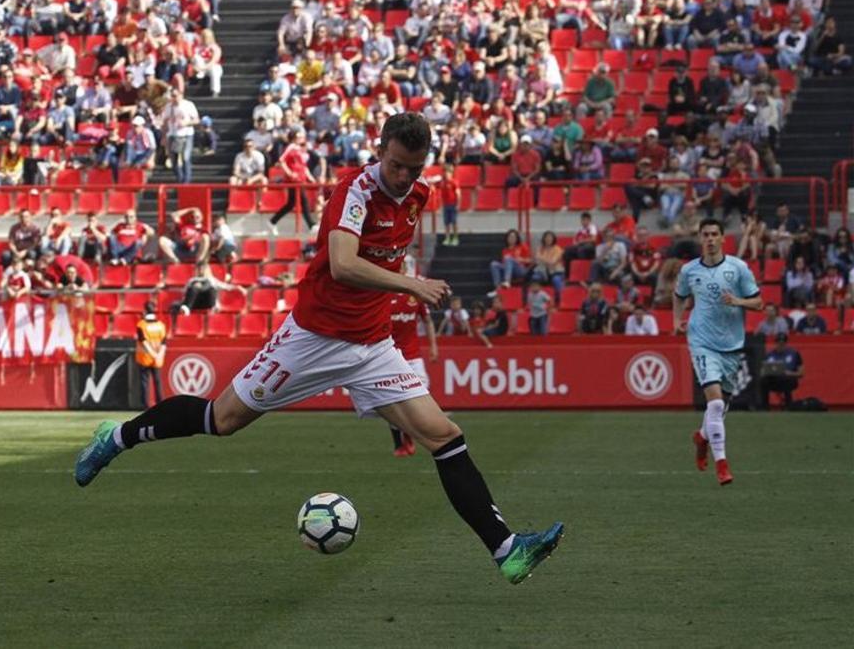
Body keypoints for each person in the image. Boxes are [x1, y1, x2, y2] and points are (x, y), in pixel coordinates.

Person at [72, 113, 564, 584]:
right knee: (222, 420)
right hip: (313, 338)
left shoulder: (419, 195)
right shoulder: (355, 191)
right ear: (379, 151)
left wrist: (398, 288)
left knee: (444, 436)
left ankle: (507, 550)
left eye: (414, 168)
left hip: (372, 345)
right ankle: (116, 438)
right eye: (396, 164)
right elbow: (344, 264)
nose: (403, 176)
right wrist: (411, 285)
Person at [673, 219, 763, 486]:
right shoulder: (689, 270)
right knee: (713, 403)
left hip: (732, 345)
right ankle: (722, 464)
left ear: (724, 238)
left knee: (720, 407)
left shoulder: (738, 268)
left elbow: (758, 303)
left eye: (714, 234)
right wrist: (677, 320)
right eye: (705, 235)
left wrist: (738, 301)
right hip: (701, 340)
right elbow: (679, 295)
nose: (710, 239)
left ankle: (702, 437)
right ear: (701, 239)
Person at [383, 285, 438, 457]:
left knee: (422, 391)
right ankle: (399, 444)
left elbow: (428, 321)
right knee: (391, 399)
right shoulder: (384, 295)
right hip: (391, 356)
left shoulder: (415, 295)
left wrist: (433, 346)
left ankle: (409, 431)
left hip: (413, 356)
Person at [135, 301, 167, 408]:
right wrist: (159, 355)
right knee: (158, 381)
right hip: (157, 358)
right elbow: (164, 343)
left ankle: (145, 406)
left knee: (144, 382)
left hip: (144, 358)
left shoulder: (141, 325)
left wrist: (153, 354)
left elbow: (143, 342)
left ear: (145, 311)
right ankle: (161, 404)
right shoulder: (161, 325)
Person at [760, 333, 803, 409]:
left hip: (789, 378)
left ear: (785, 343)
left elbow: (801, 373)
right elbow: (763, 370)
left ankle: (788, 406)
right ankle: (764, 406)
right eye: (779, 343)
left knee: (786, 380)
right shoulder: (769, 355)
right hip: (774, 379)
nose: (780, 345)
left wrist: (790, 373)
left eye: (782, 343)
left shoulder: (794, 354)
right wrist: (765, 372)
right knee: (763, 381)